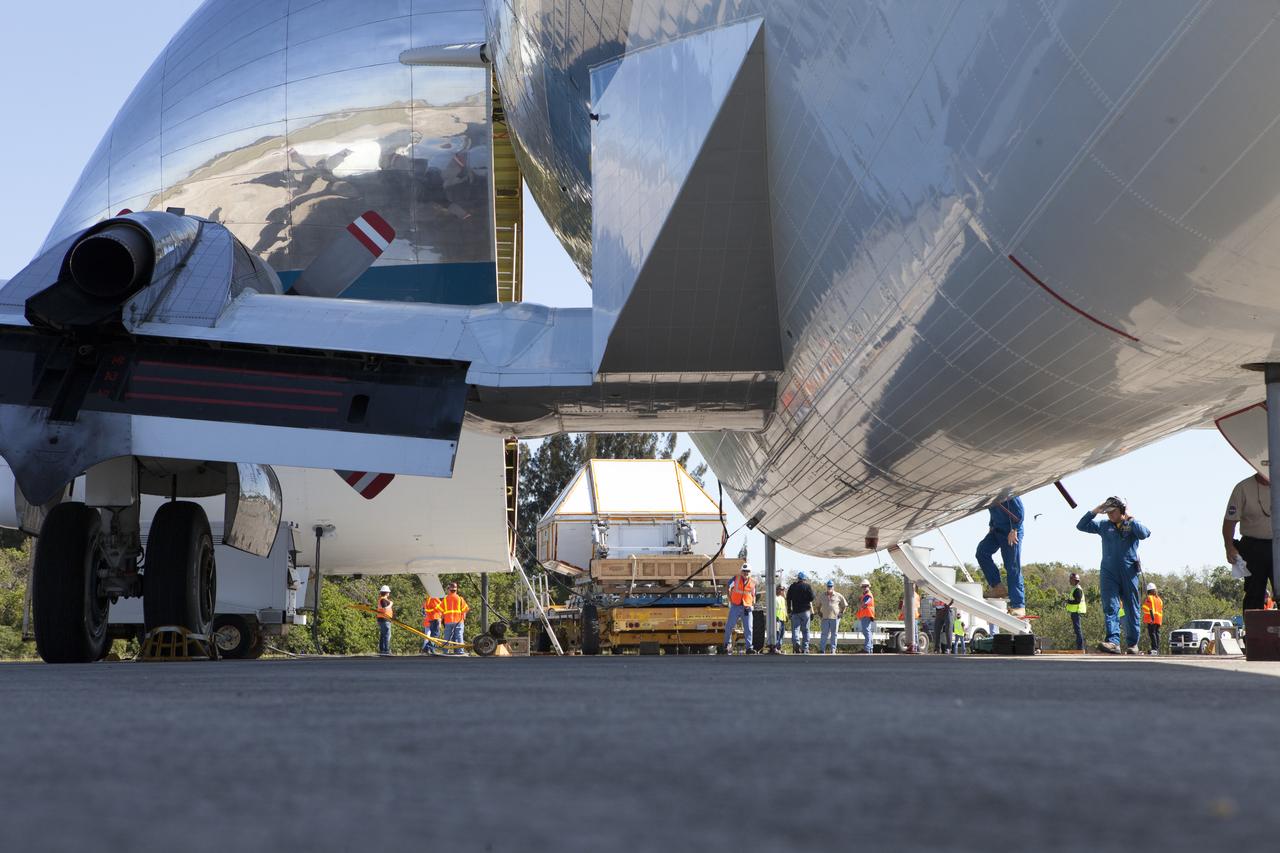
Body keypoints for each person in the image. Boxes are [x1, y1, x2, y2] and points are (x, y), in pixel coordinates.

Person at [1077, 496, 1150, 654]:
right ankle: (1113, 641)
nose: (1110, 515)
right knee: (1110, 606)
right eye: (1108, 512)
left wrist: (1131, 519)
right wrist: (1096, 510)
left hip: (1128, 572)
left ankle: (1132, 644)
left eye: (1113, 511)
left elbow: (1145, 534)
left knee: (1131, 607)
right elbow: (1081, 525)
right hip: (1108, 572)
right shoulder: (1104, 525)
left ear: (1122, 510)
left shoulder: (1132, 525)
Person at [1223, 472, 1275, 615]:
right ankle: (1253, 634)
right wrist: (1229, 546)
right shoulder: (1243, 488)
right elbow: (1229, 521)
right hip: (1253, 547)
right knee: (1254, 593)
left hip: (1277, 546)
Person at [976, 494, 1026, 617]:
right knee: (982, 552)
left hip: (1011, 531)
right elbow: (992, 510)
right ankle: (998, 587)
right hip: (996, 530)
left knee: (1012, 566)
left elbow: (1020, 513)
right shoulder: (989, 492)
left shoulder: (1008, 493)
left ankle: (1019, 605)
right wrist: (991, 526)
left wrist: (1014, 530)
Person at [723, 564, 756, 654]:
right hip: (736, 606)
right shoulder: (735, 579)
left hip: (747, 607)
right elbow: (728, 587)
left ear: (750, 572)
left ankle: (749, 648)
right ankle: (727, 645)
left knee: (749, 628)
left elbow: (753, 594)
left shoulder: (753, 582)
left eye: (748, 571)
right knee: (729, 626)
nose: (746, 573)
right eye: (744, 571)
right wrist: (730, 599)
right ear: (741, 572)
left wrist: (752, 604)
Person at [814, 580, 847, 654]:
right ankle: (822, 650)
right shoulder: (822, 595)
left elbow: (845, 605)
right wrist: (819, 612)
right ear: (827, 586)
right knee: (824, 634)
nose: (830, 587)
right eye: (828, 586)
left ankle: (833, 650)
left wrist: (841, 613)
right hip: (825, 618)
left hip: (835, 618)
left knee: (834, 634)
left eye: (831, 586)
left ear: (833, 587)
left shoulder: (838, 595)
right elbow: (817, 605)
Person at [786, 571, 815, 653]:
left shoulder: (792, 586)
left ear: (798, 578)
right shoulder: (807, 586)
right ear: (804, 579)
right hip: (805, 611)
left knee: (795, 629)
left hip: (795, 611)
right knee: (806, 630)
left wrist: (789, 609)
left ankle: (796, 644)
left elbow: (788, 598)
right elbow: (812, 598)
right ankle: (805, 648)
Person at [441, 582, 469, 655]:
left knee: (447, 636)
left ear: (449, 589)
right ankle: (460, 651)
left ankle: (445, 651)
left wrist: (442, 619)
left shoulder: (445, 599)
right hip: (459, 621)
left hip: (448, 621)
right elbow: (465, 609)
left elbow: (441, 610)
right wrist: (463, 617)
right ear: (456, 589)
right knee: (459, 635)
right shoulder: (460, 599)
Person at [1065, 572, 1086, 651]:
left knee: (1078, 630)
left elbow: (1077, 601)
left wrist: (1068, 601)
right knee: (1077, 630)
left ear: (1074, 580)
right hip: (1075, 612)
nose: (1070, 581)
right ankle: (1079, 648)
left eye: (1071, 579)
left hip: (1077, 612)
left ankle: (1080, 648)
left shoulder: (1077, 589)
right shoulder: (1075, 588)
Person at [1141, 582, 1163, 655]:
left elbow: (1146, 608)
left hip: (1151, 619)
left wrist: (1151, 618)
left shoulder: (1149, 598)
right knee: (1156, 633)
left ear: (1148, 591)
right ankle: (1157, 648)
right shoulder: (1159, 599)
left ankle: (1154, 649)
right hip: (1158, 619)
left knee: (1152, 634)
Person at [855, 581, 876, 654]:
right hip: (866, 615)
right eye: (863, 586)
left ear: (868, 586)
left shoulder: (868, 595)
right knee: (867, 632)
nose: (864, 588)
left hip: (866, 615)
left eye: (865, 586)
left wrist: (861, 604)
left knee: (866, 631)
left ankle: (867, 648)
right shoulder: (865, 595)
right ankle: (870, 648)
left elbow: (864, 603)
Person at [375, 584, 394, 656]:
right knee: (387, 635)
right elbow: (385, 608)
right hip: (385, 619)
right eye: (388, 592)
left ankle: (382, 649)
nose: (389, 593)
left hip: (382, 619)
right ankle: (386, 650)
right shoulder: (383, 599)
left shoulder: (381, 599)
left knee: (383, 635)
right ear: (386, 592)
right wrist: (391, 604)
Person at [773, 584, 787, 652]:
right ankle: (775, 647)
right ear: (777, 589)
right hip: (777, 619)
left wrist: (786, 616)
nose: (782, 591)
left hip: (783, 618)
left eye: (783, 590)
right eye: (781, 589)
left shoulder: (782, 598)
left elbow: (784, 608)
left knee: (782, 634)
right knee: (777, 633)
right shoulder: (774, 598)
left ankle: (779, 647)